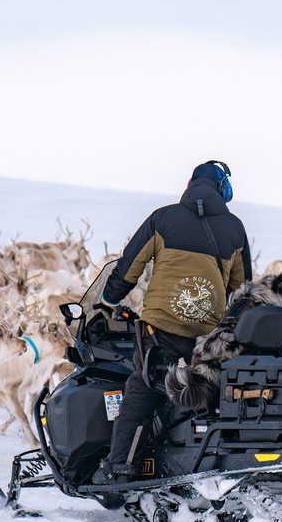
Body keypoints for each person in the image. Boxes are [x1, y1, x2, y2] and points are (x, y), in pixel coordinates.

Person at [94, 160, 252, 484]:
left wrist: (109, 300)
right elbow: (242, 288)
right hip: (207, 334)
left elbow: (128, 266)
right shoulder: (235, 229)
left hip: (160, 329)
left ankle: (120, 469)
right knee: (199, 389)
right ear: (224, 189)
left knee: (143, 388)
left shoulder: (162, 218)